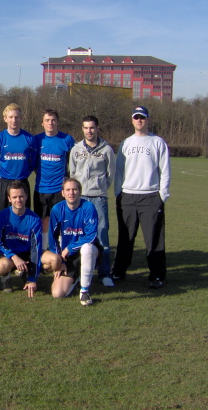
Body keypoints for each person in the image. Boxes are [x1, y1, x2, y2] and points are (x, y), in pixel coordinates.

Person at [112, 106, 170, 289]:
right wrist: (118, 192)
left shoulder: (157, 142)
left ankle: (157, 275)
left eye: (142, 118)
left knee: (153, 239)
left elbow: (165, 170)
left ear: (148, 120)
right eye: (136, 117)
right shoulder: (126, 143)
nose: (139, 120)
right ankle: (119, 271)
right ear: (132, 120)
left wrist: (162, 195)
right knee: (125, 239)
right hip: (128, 196)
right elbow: (119, 169)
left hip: (151, 197)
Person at [0, 103, 35, 276]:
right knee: (1, 221)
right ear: (5, 118)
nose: (14, 120)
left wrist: (21, 177)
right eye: (11, 117)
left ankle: (25, 258)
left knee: (22, 220)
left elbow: (32, 163)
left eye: (17, 116)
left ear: (21, 118)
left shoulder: (29, 139)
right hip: (3, 183)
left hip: (21, 182)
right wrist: (0, 181)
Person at [69, 115, 116, 287]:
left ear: (97, 128)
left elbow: (110, 175)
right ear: (82, 129)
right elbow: (73, 173)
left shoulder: (106, 150)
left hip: (99, 198)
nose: (89, 131)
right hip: (80, 199)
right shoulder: (76, 149)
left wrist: (99, 188)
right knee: (79, 235)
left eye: (92, 128)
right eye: (86, 128)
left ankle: (104, 274)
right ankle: (80, 273)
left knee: (102, 235)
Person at [40, 178, 99, 306]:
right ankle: (77, 277)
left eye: (74, 189)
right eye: (68, 190)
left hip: (88, 251)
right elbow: (53, 237)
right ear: (63, 193)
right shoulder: (57, 209)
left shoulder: (88, 207)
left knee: (87, 248)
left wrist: (69, 248)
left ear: (79, 192)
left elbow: (91, 236)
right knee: (57, 293)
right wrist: (59, 261)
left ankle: (84, 291)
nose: (71, 192)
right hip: (68, 257)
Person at [33, 109, 75, 251]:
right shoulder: (37, 140)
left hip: (60, 190)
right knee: (44, 222)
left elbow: (74, 164)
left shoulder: (67, 140)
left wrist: (66, 180)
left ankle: (62, 252)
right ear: (42, 123)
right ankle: (44, 251)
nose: (50, 123)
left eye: (53, 120)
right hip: (41, 189)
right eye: (47, 120)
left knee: (62, 221)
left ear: (57, 122)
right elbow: (33, 165)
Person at [0, 181, 42, 297]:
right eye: (14, 197)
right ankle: (6, 277)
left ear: (26, 197)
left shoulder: (34, 219)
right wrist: (13, 257)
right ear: (9, 198)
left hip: (26, 255)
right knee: (2, 266)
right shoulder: (2, 217)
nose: (18, 200)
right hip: (8, 255)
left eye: (21, 196)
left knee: (52, 260)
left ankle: (27, 273)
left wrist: (32, 278)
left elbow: (36, 249)